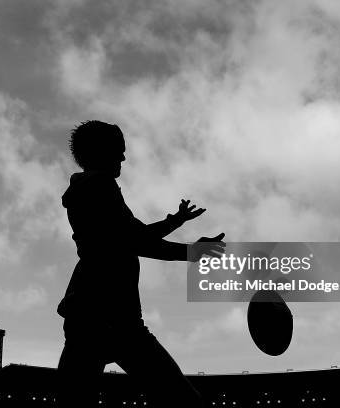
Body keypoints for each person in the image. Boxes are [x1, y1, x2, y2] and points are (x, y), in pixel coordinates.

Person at [57, 120, 226, 407]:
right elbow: (136, 241)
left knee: (74, 403)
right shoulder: (100, 185)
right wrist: (193, 252)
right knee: (183, 400)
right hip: (111, 317)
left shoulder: (90, 188)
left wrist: (175, 221)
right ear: (101, 152)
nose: (123, 157)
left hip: (90, 315)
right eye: (118, 151)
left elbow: (132, 235)